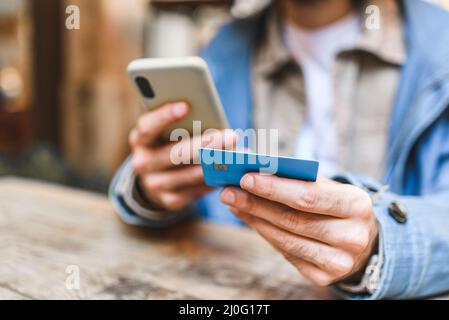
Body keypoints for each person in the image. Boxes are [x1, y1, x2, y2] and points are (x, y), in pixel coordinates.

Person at [109, 0, 449, 299]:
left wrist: (380, 247)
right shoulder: (223, 47)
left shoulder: (440, 48)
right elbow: (187, 185)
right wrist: (150, 190)